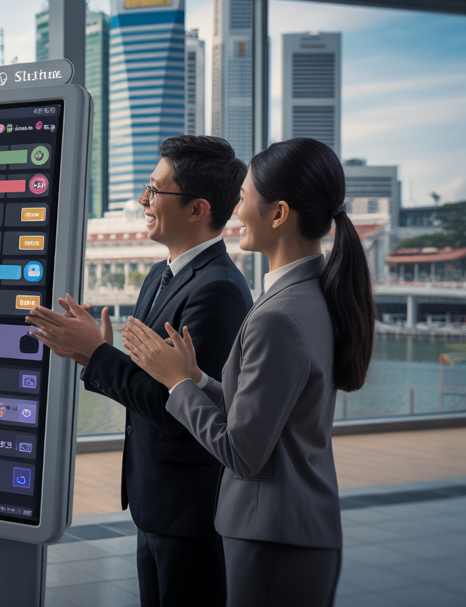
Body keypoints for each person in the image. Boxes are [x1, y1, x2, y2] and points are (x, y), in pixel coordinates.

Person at [124, 137, 375, 607]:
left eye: (242, 197)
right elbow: (264, 416)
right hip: (294, 526)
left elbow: (242, 452)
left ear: (278, 214)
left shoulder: (278, 315)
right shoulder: (305, 298)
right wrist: (197, 380)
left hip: (270, 535)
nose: (235, 210)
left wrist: (178, 383)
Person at [25, 135, 252, 607]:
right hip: (154, 498)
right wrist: (100, 352)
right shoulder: (159, 275)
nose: (143, 201)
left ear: (197, 209)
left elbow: (184, 408)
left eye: (155, 190)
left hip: (190, 508)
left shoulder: (219, 291)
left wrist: (96, 356)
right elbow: (159, 380)